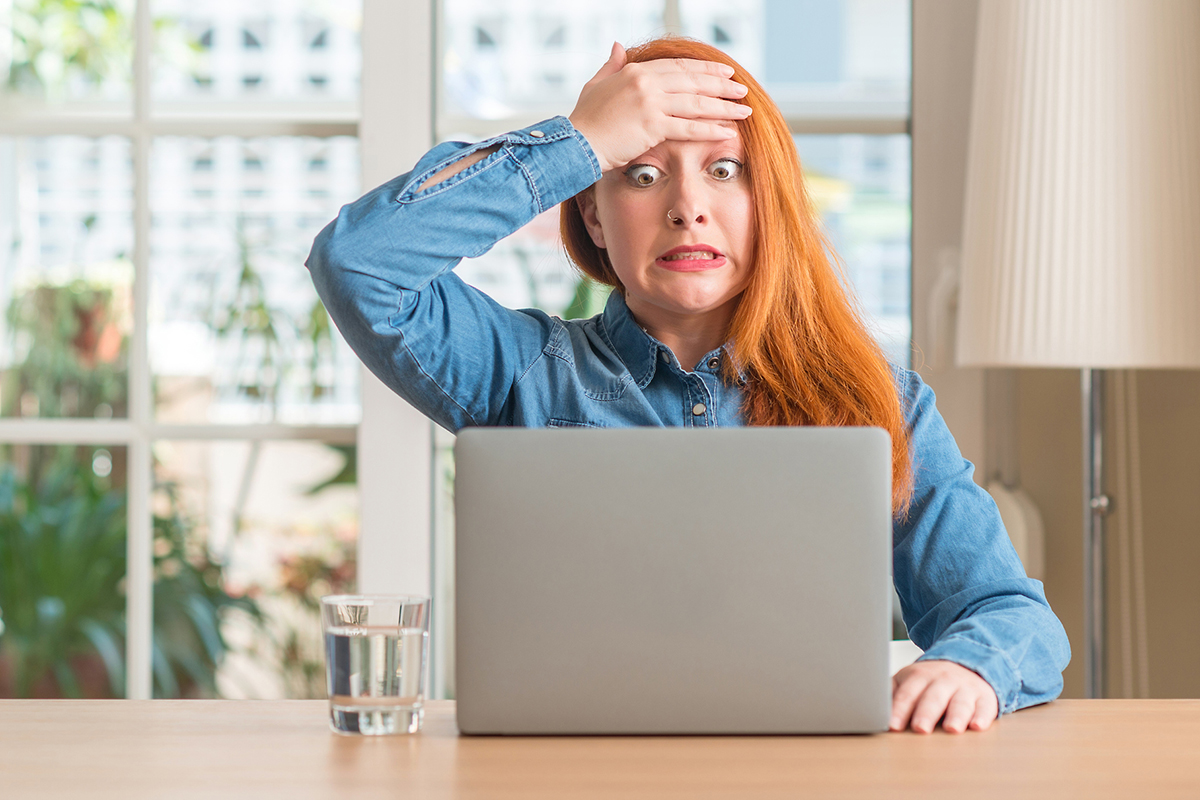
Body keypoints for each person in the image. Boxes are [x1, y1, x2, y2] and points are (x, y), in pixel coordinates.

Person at [306, 36, 1070, 734]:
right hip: (562, 775)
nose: (687, 207)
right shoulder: (525, 372)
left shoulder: (884, 402)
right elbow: (360, 263)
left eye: (725, 170)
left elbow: (1008, 613)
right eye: (639, 174)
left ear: (767, 206)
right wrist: (578, 141)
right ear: (595, 217)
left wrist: (967, 667)